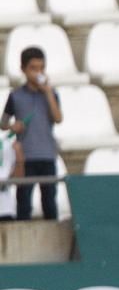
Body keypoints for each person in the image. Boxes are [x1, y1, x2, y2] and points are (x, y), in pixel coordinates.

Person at [1, 46, 60, 221]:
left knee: (49, 201)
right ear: (24, 70)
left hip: (47, 154)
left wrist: (48, 92)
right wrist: (13, 126)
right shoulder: (15, 96)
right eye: (33, 68)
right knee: (24, 202)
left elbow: (57, 118)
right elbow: (3, 123)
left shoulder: (52, 94)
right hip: (25, 157)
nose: (38, 73)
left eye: (41, 68)